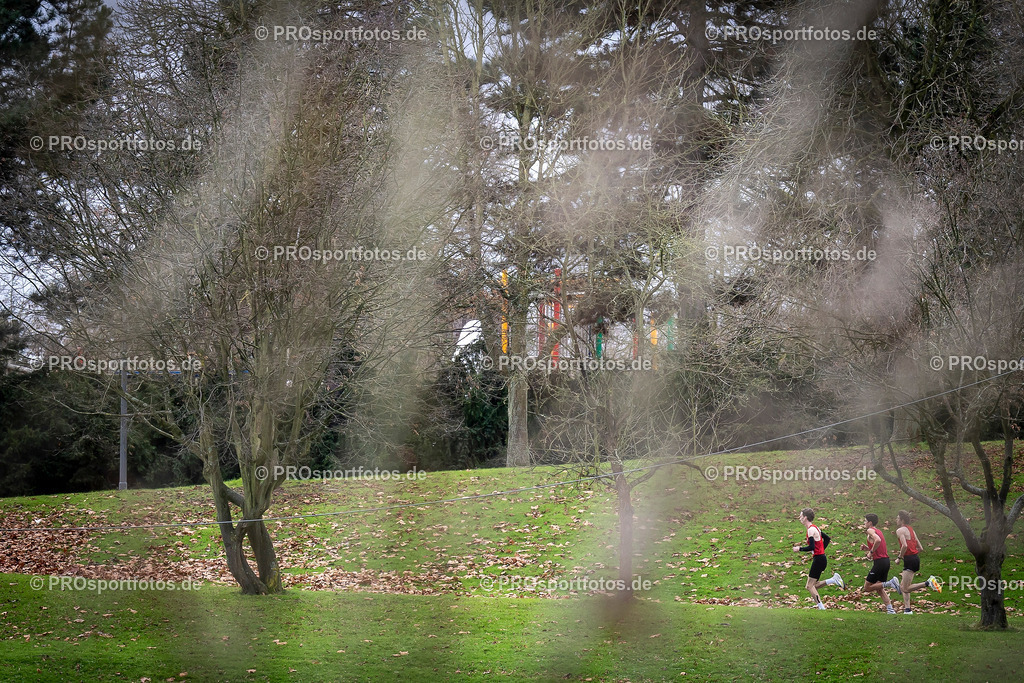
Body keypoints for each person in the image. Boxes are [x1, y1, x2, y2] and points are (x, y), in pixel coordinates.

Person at [881, 510, 942, 613]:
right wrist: (912, 554)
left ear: (902, 520)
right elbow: (920, 548)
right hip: (914, 558)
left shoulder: (900, 530)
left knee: (905, 588)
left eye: (897, 518)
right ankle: (907, 609)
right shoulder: (911, 530)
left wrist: (899, 557)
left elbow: (904, 545)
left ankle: (928, 582)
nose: (896, 520)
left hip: (909, 560)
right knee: (903, 586)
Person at [793, 508, 844, 609]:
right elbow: (827, 538)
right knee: (813, 585)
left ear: (805, 517)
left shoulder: (810, 530)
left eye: (801, 516)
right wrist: (821, 551)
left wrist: (799, 549)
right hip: (821, 558)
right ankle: (833, 580)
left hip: (819, 560)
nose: (799, 518)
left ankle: (821, 608)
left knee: (810, 586)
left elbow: (812, 547)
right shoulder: (816, 528)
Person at [859, 513, 896, 614]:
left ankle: (890, 583)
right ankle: (890, 610)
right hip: (885, 561)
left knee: (867, 587)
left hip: (880, 562)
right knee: (879, 588)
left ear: (870, 522)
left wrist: (870, 553)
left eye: (865, 521)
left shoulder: (870, 530)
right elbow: (879, 546)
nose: (864, 523)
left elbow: (878, 540)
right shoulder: (878, 531)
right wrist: (868, 548)